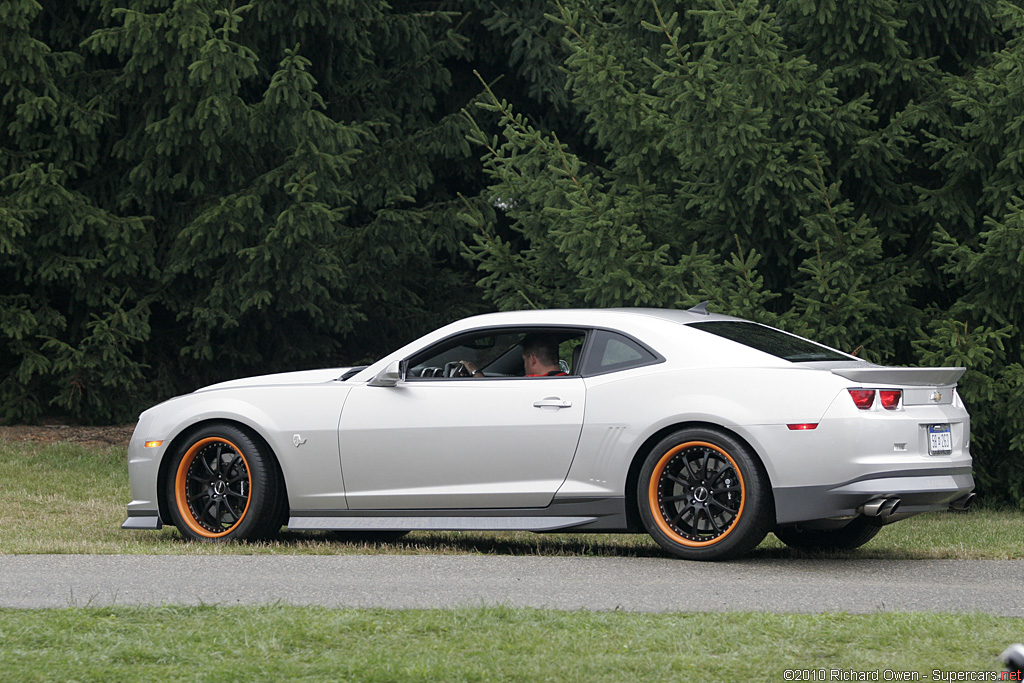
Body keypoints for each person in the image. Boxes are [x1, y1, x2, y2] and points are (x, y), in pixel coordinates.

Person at [460, 333, 567, 378]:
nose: (524, 366)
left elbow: (492, 396)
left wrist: (475, 372)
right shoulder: (567, 379)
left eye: (524, 360)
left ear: (532, 360)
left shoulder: (532, 382)